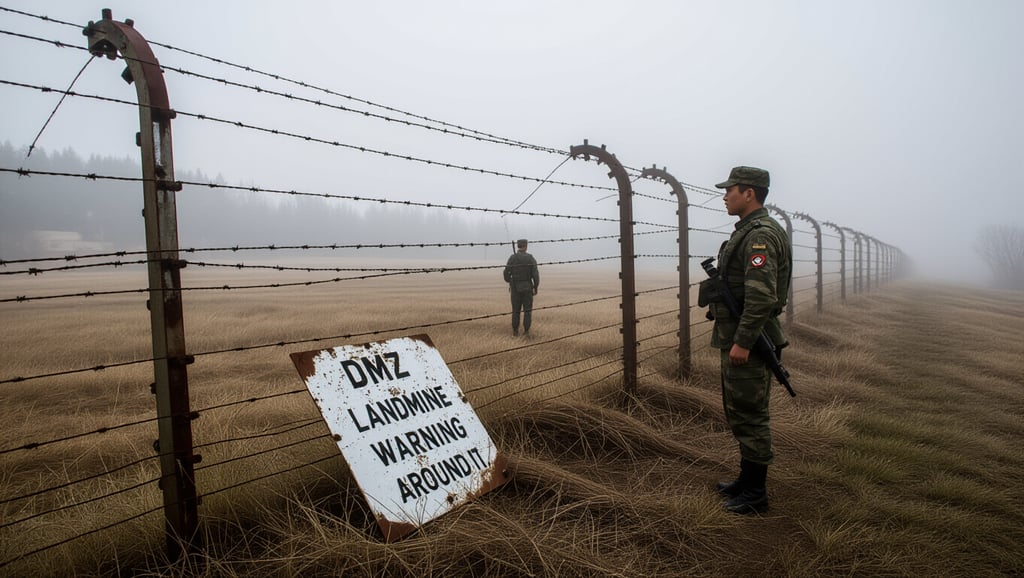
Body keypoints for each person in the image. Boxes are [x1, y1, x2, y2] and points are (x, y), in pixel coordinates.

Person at [700, 166, 792, 514]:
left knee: (750, 415)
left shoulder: (760, 237)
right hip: (743, 336)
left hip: (749, 340)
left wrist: (743, 341)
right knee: (740, 412)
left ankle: (755, 493)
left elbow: (761, 296)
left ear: (749, 193)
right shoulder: (753, 231)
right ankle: (746, 480)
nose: (725, 196)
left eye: (730, 190)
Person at [503, 239, 539, 336]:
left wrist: (510, 280)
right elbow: (535, 274)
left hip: (515, 287)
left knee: (516, 311)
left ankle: (515, 331)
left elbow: (506, 272)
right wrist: (536, 287)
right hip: (527, 287)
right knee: (527, 311)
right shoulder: (530, 258)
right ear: (526, 246)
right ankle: (526, 332)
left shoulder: (513, 258)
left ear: (518, 246)